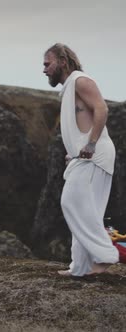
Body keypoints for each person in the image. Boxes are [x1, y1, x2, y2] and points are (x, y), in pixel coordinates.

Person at [42, 43, 118, 276]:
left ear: (63, 62)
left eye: (48, 64)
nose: (44, 70)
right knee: (85, 209)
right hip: (83, 156)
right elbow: (80, 122)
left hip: (95, 156)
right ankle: (81, 267)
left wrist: (91, 144)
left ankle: (105, 256)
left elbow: (101, 109)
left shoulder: (81, 81)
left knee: (72, 203)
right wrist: (75, 150)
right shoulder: (68, 88)